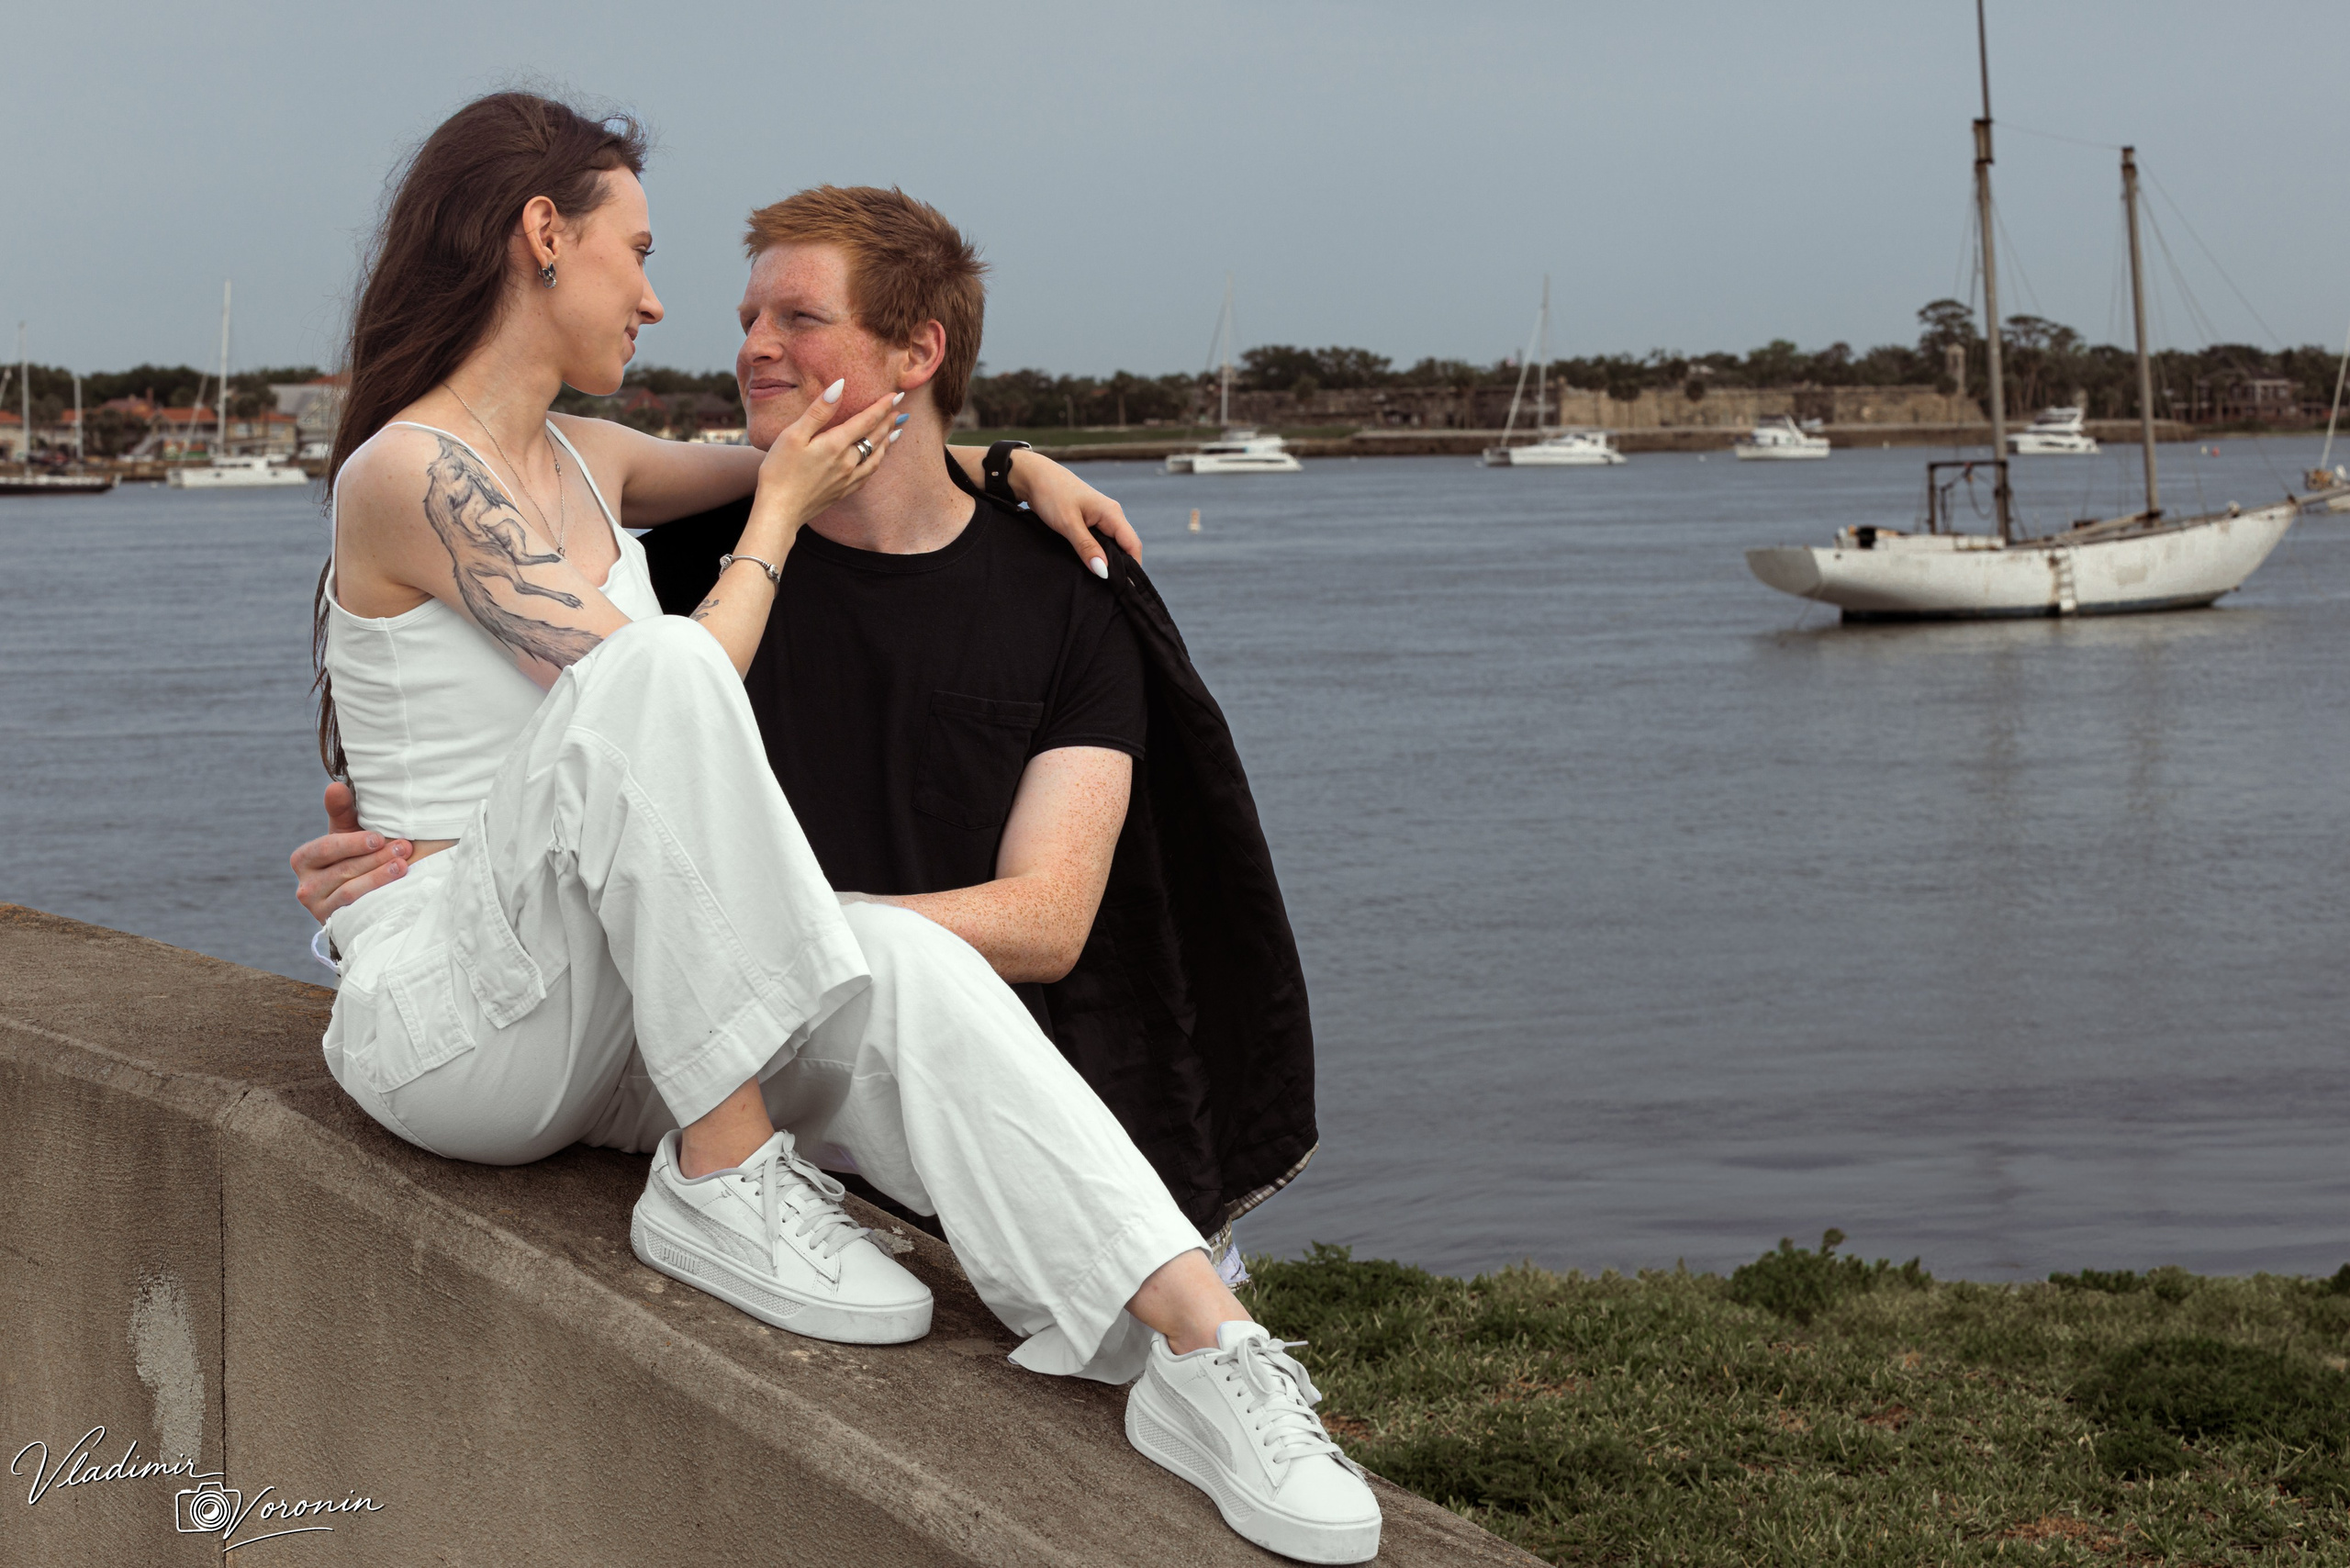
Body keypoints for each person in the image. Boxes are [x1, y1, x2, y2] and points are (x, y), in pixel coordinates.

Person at [299, 92, 1378, 1563]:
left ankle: (1206, 1350)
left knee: (915, 968)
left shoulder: (594, 459)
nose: (663, 303)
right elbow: (650, 696)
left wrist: (1013, 464)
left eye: (774, 309)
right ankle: (724, 1176)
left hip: (597, 1008)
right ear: (544, 235)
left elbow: (858, 452)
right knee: (661, 668)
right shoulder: (410, 473)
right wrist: (768, 533)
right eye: (641, 253)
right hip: (455, 1024)